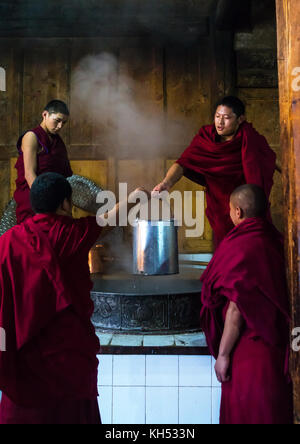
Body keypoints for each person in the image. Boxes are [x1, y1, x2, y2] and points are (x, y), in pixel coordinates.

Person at [0, 172, 148, 424]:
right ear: (65, 204)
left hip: (24, 361)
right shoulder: (70, 233)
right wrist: (136, 198)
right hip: (67, 360)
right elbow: (109, 219)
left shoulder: (7, 242)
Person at [200, 184, 293, 424]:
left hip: (249, 355)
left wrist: (222, 355)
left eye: (230, 210)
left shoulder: (241, 246)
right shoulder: (278, 242)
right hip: (277, 351)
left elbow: (235, 309)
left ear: (238, 212)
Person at [153, 96, 277, 247]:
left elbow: (270, 159)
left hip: (245, 204)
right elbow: (184, 162)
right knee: (226, 247)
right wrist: (166, 182)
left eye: (226, 118)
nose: (220, 122)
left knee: (251, 244)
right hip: (219, 203)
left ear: (240, 119)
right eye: (217, 116)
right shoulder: (206, 138)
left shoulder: (250, 138)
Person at [14, 100, 73, 224]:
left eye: (64, 122)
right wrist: (45, 204)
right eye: (57, 120)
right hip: (35, 200)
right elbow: (29, 174)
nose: (60, 126)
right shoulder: (32, 137)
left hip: (56, 201)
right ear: (45, 114)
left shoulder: (58, 142)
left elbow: (64, 176)